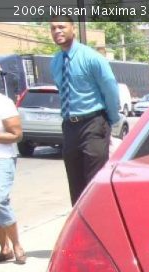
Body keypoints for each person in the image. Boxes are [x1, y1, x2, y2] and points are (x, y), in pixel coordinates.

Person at [50, 18, 120, 205]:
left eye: (62, 27)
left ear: (73, 28)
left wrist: (110, 119)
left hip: (93, 123)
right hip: (69, 126)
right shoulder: (56, 61)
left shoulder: (91, 58)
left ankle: (100, 220)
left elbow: (110, 89)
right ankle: (80, 221)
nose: (57, 31)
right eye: (53, 28)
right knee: (76, 186)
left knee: (94, 183)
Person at [0, 90, 24, 264]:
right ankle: (4, 248)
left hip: (2, 158)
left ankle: (16, 245)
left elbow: (16, 135)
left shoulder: (3, 102)